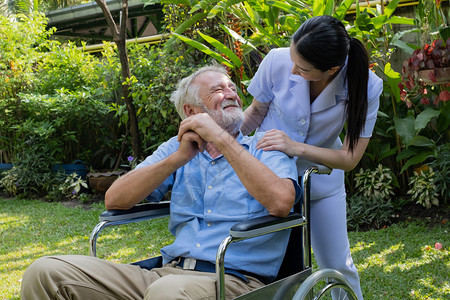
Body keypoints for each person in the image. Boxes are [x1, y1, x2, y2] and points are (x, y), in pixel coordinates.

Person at [20, 65, 301, 300]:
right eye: (218, 90)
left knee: (166, 293)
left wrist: (222, 139)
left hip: (235, 280)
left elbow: (281, 202)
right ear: (192, 112)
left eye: (232, 88)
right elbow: (115, 199)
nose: (231, 95)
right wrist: (176, 159)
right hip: (166, 273)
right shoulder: (177, 149)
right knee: (45, 271)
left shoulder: (267, 147)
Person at [241, 15, 383, 300]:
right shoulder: (277, 60)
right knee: (268, 268)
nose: (292, 69)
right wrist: (227, 146)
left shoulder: (367, 85)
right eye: (293, 58)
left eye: (302, 68)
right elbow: (255, 113)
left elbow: (350, 157)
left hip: (321, 182)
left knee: (338, 265)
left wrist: (296, 148)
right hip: (266, 177)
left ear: (332, 69)